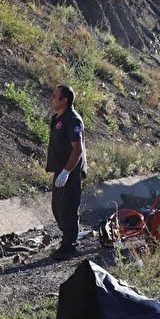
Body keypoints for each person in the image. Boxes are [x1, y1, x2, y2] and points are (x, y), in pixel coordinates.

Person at [45, 85, 87, 260]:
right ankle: (67, 239)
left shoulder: (72, 120)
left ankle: (69, 246)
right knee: (58, 208)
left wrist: (66, 172)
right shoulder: (58, 118)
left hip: (70, 171)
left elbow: (77, 149)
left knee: (69, 208)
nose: (51, 98)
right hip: (60, 169)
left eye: (54, 96)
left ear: (64, 100)